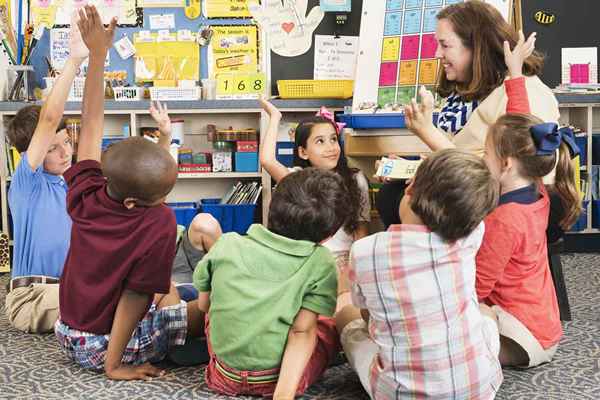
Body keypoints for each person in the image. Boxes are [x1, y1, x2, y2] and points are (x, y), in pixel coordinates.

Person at [53, 6, 203, 380]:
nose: (167, 198)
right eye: (164, 192)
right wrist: (115, 365)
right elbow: (135, 298)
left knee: (167, 291)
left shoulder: (89, 190)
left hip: (67, 331)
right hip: (100, 346)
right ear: (137, 203)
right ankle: (137, 354)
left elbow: (90, 122)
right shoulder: (159, 222)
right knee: (201, 311)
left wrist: (99, 56)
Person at [377, 0, 559, 228]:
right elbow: (469, 152)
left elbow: (513, 174)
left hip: (501, 205)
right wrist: (417, 166)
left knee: (401, 199)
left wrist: (427, 132)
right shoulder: (477, 91)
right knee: (392, 193)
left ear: (476, 46)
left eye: (445, 45)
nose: (436, 54)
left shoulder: (524, 91)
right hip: (478, 192)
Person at [336, 149, 502, 399]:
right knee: (487, 311)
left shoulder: (364, 251)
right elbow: (470, 195)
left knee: (345, 315)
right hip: (477, 389)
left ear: (410, 187)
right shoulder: (471, 235)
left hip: (401, 393)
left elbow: (366, 313)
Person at [193, 168, 349, 398]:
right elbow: (301, 332)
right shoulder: (321, 262)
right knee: (329, 320)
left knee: (219, 304)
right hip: (273, 382)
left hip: (224, 376)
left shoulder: (226, 244)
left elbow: (204, 307)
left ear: (270, 207)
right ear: (328, 235)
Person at [476, 115, 581, 368]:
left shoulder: (504, 220)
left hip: (522, 338)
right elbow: (522, 130)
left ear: (506, 163)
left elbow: (476, 288)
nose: (482, 159)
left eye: (485, 153)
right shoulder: (537, 191)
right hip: (541, 326)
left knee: (450, 316)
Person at [4, 40, 85, 333]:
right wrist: (75, 61)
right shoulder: (28, 184)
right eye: (52, 148)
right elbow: (49, 118)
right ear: (30, 154)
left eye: (66, 143)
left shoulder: (71, 184)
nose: (65, 153)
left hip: (67, 290)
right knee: (101, 301)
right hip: (30, 297)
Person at [259, 99, 370, 290]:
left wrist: (352, 272)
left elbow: (361, 232)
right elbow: (267, 160)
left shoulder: (356, 179)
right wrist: (275, 117)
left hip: (346, 266)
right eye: (320, 141)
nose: (331, 147)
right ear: (303, 152)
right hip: (306, 264)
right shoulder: (297, 179)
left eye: (333, 139)